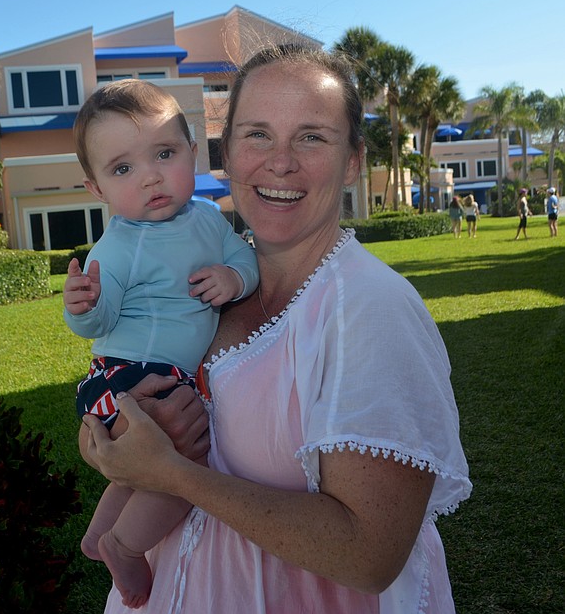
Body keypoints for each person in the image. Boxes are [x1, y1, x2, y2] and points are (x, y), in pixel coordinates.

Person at [80, 44, 471, 614]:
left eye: (311, 137)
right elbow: (123, 402)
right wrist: (110, 441)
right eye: (257, 135)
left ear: (353, 161)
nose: (280, 162)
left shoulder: (370, 309)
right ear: (227, 154)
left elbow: (369, 556)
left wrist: (174, 475)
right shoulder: (210, 279)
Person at [64, 79, 259, 608]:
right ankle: (125, 547)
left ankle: (100, 533)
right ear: (97, 189)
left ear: (194, 153)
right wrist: (84, 306)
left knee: (142, 466)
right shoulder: (118, 246)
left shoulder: (207, 220)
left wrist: (233, 278)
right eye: (123, 169)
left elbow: (244, 258)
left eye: (165, 154)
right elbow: (101, 319)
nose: (150, 176)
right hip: (130, 375)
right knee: (185, 464)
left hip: (147, 379)